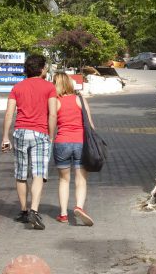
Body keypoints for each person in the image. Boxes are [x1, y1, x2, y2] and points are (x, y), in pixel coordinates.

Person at [0, 54, 58, 230]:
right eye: (45, 67)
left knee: (21, 173)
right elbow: (53, 114)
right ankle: (34, 210)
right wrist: (51, 135)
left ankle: (24, 210)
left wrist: (5, 136)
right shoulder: (49, 87)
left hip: (20, 133)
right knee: (38, 173)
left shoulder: (16, 87)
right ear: (41, 69)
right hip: (40, 134)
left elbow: (9, 113)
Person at [51, 72, 95, 226]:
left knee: (64, 179)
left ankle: (63, 214)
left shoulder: (55, 102)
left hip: (61, 142)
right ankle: (79, 207)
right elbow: (90, 124)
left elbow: (51, 122)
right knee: (81, 179)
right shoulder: (80, 99)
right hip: (80, 142)